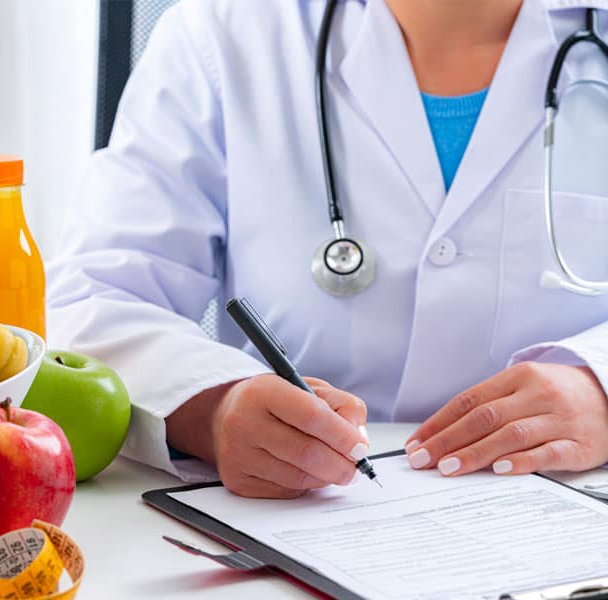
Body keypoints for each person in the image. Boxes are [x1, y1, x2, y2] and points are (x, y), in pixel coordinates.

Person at [46, 0, 608, 498]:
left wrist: (600, 389)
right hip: (305, 516)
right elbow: (96, 297)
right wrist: (215, 407)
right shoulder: (224, 34)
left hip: (571, 514)